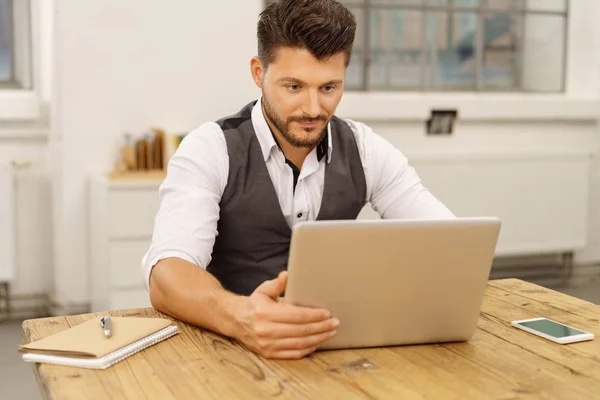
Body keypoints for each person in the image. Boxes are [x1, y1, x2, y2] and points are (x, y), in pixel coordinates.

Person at [143, 0, 454, 360]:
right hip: (227, 353)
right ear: (258, 72)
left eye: (328, 88)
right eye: (294, 87)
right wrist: (240, 316)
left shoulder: (366, 149)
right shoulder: (209, 148)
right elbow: (167, 276)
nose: (313, 108)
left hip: (335, 351)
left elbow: (447, 243)